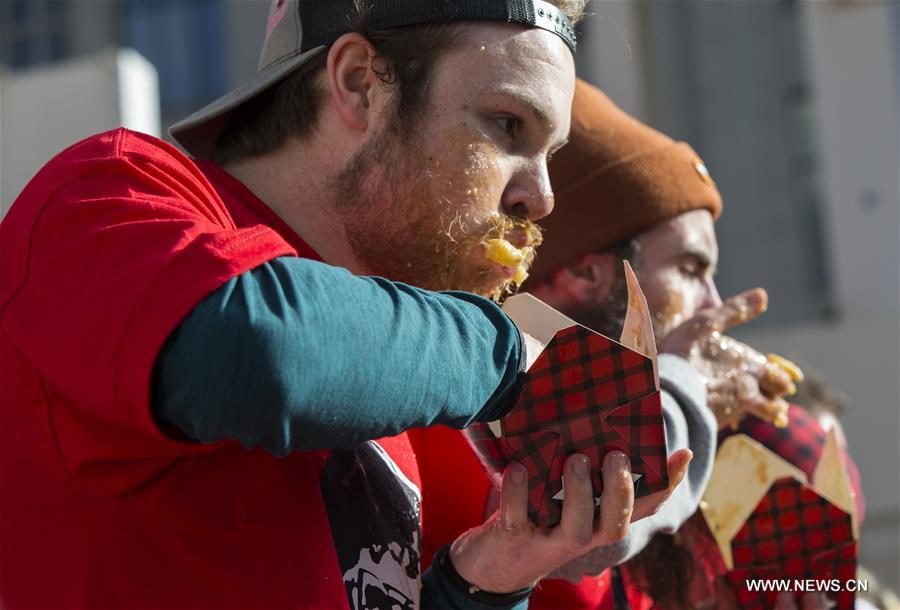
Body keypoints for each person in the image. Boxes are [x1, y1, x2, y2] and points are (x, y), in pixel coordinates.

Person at [0, 3, 724, 609]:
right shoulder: (116, 188)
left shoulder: (395, 356)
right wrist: (513, 354)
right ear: (358, 84)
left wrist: (486, 579)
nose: (541, 197)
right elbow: (258, 350)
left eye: (549, 154)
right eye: (509, 126)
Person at [413, 79, 801, 609]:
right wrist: (689, 384)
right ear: (585, 271)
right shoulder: (469, 389)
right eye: (690, 269)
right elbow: (591, 512)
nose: (711, 302)